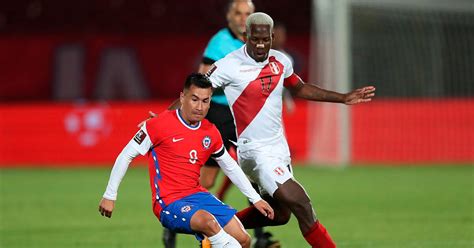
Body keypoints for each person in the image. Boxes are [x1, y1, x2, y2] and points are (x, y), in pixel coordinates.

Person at [205, 12, 376, 248]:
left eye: (265, 39)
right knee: (302, 204)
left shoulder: (281, 61)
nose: (261, 45)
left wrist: (343, 97)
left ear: (272, 37)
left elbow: (299, 88)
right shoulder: (228, 65)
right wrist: (167, 118)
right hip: (254, 152)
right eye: (255, 39)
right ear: (246, 36)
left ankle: (217, 229)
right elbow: (198, 90)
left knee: (280, 215)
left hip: (278, 150)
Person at [98, 73, 274, 248]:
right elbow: (126, 155)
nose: (199, 107)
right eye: (194, 99)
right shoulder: (157, 125)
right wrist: (109, 196)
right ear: (183, 97)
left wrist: (255, 198)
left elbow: (229, 166)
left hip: (198, 195)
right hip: (168, 202)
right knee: (209, 223)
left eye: (205, 101)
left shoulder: (210, 131)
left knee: (243, 240)